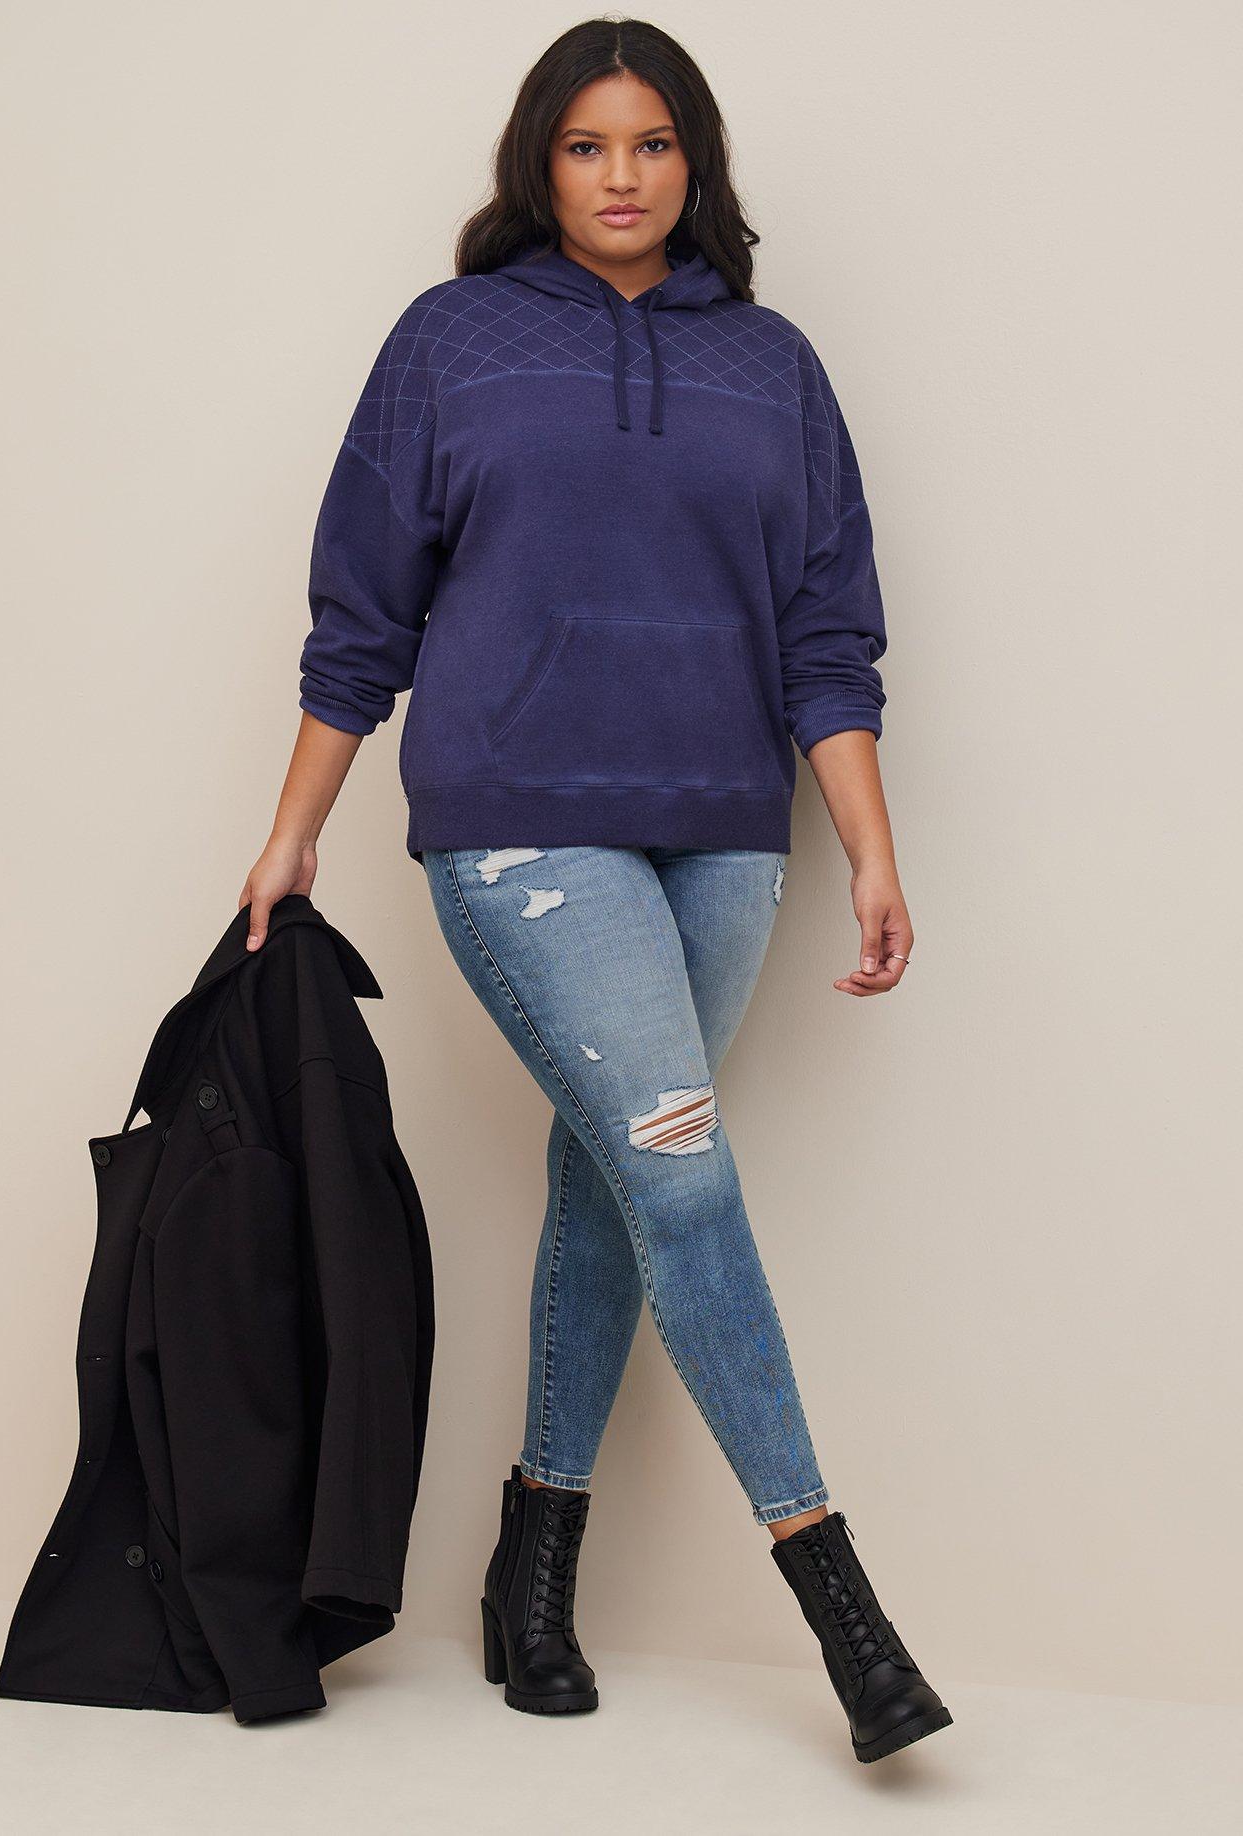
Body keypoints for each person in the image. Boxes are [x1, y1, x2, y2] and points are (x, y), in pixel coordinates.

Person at [240, 16, 952, 1764]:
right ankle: (841, 1606)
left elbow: (828, 633)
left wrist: (870, 846)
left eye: (651, 143)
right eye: (584, 145)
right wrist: (296, 827)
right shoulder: (455, 339)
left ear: (694, 162)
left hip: (727, 832)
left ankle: (529, 1569)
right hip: (518, 821)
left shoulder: (774, 366)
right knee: (680, 1174)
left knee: (612, 1180)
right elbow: (363, 606)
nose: (620, 176)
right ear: (536, 164)